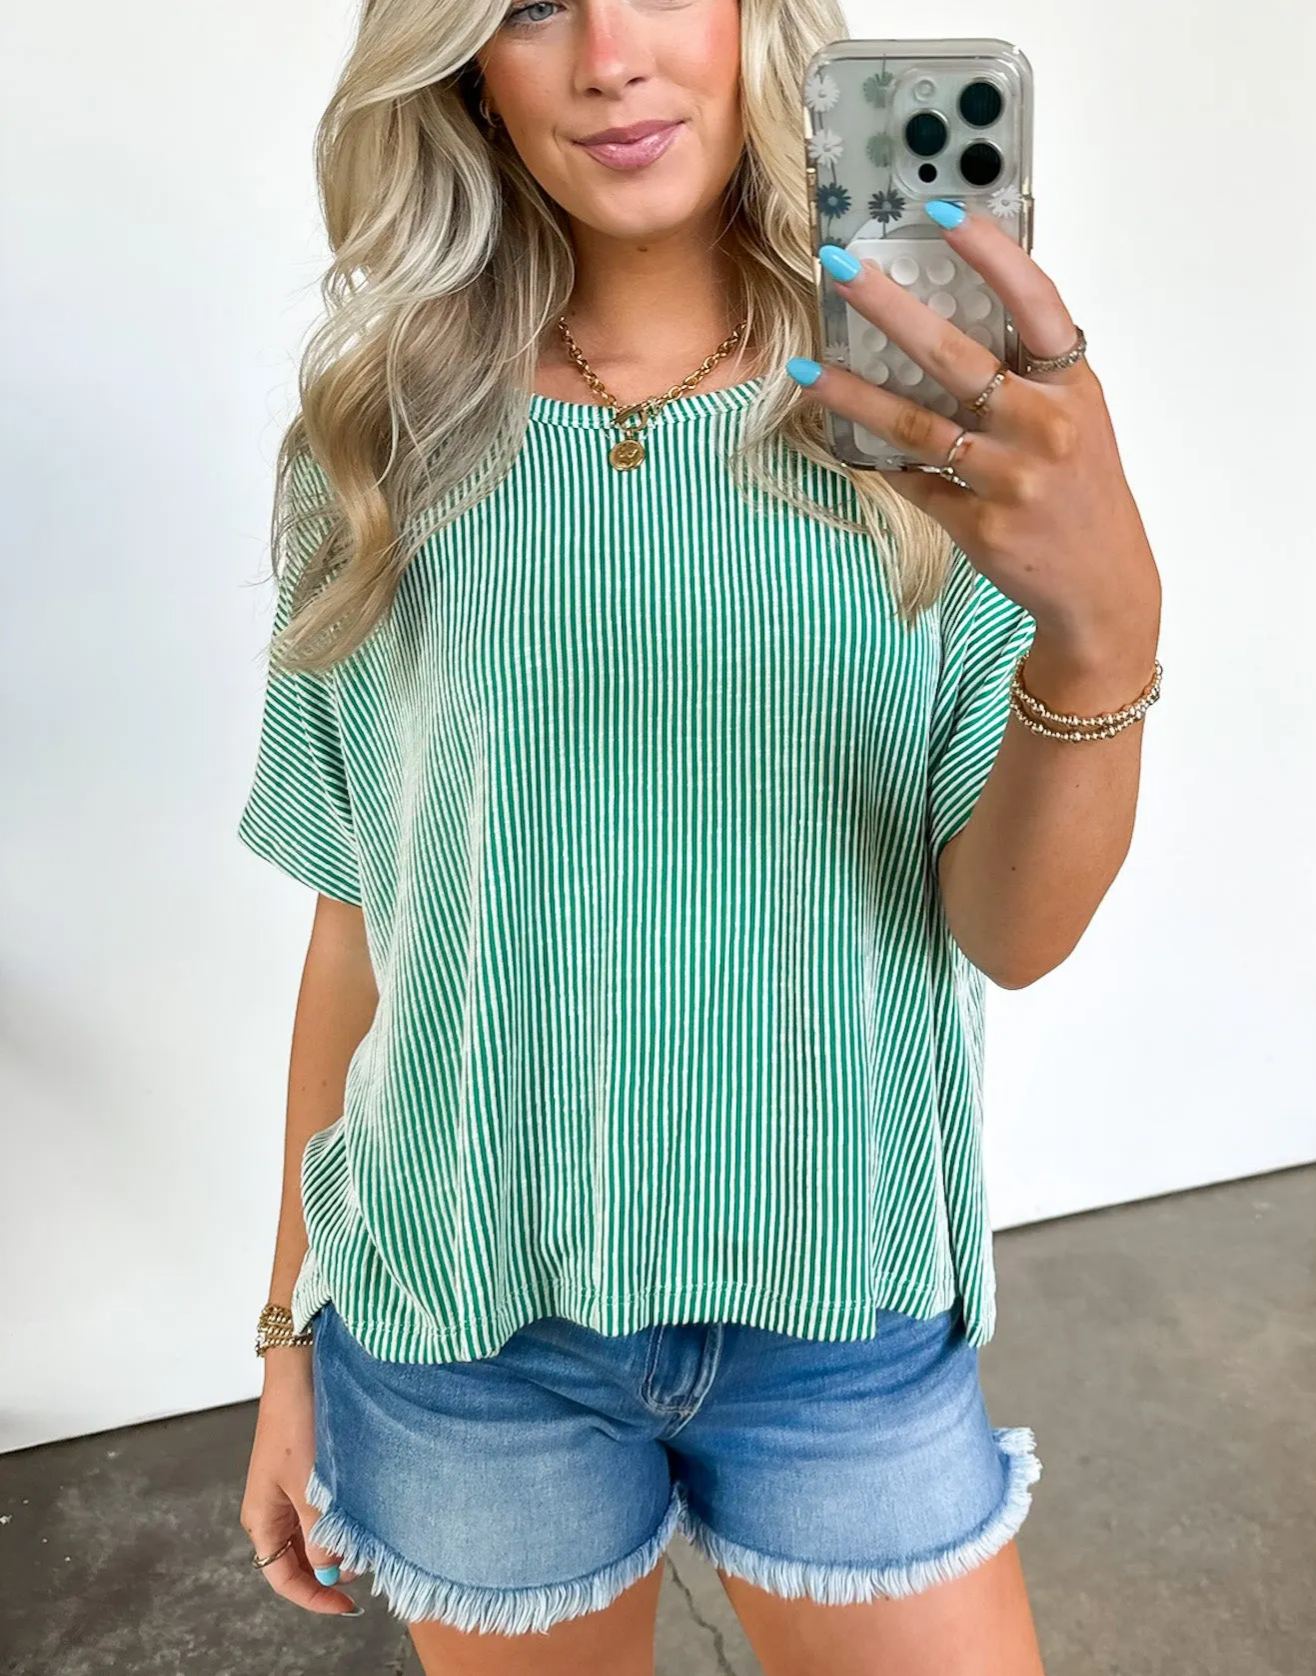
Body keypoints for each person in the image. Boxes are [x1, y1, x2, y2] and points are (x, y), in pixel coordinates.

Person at [235, 1, 1162, 1672]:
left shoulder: (934, 436)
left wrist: (1103, 642)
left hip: (840, 1313)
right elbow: (356, 928)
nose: (607, 56)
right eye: (530, 4)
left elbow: (1010, 935)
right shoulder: (371, 453)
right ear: (462, 64)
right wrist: (286, 1333)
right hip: (462, 1328)